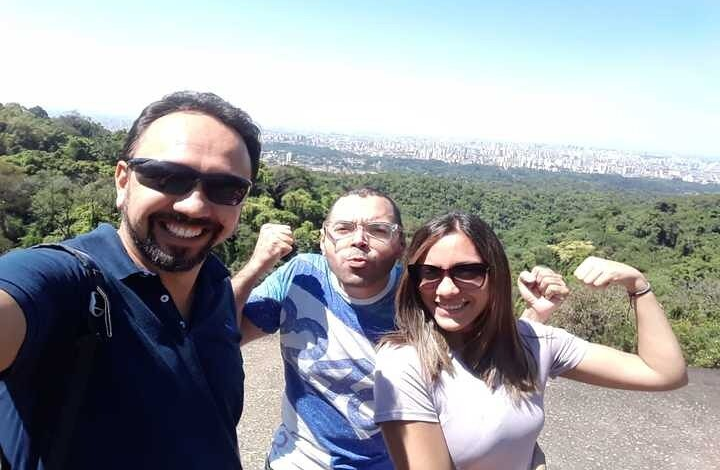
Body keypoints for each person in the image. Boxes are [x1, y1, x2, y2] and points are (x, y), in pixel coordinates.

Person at [0, 91, 261, 469]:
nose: (194, 205)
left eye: (225, 188)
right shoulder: (66, 283)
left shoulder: (215, 283)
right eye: (168, 176)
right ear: (123, 182)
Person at [232, 190, 568, 469]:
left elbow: (483, 354)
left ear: (400, 244)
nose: (359, 241)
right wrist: (255, 266)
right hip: (302, 460)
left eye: (378, 230)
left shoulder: (421, 295)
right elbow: (225, 336)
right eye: (343, 228)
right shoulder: (300, 278)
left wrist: (533, 319)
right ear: (323, 240)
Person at [373, 211, 688, 470]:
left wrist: (637, 284)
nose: (445, 290)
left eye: (467, 272)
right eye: (429, 273)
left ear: (495, 277)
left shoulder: (534, 343)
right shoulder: (405, 363)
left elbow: (663, 372)